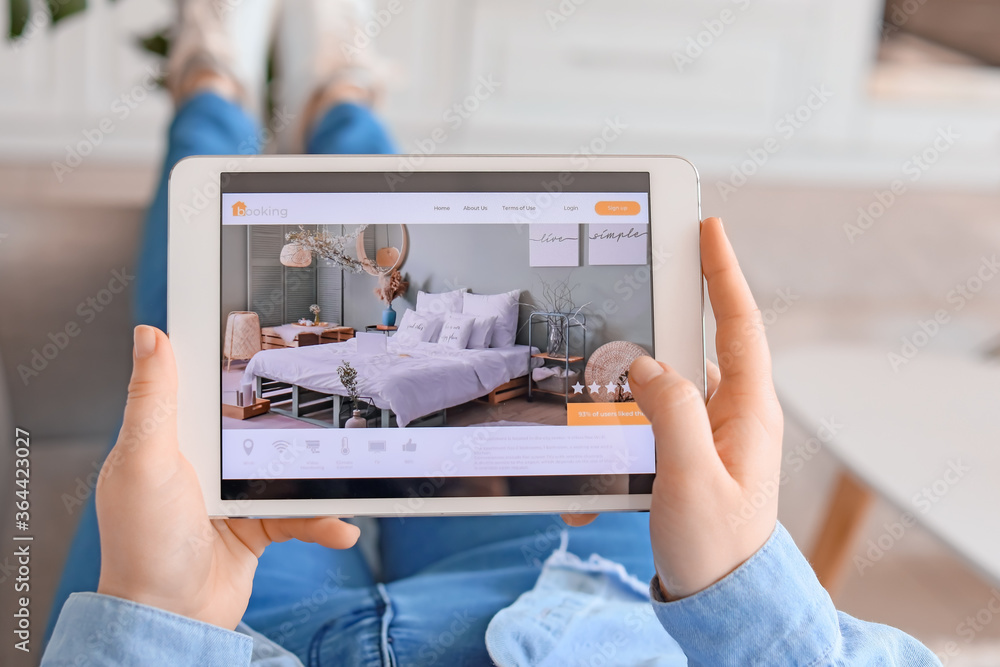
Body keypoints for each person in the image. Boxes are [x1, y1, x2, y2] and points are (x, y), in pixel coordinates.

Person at [42, 1, 942, 665]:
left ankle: (207, 78)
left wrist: (154, 621)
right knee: (362, 179)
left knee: (175, 336)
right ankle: (341, 90)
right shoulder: (404, 300)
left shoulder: (498, 351)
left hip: (230, 636)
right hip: (596, 599)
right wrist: (735, 580)